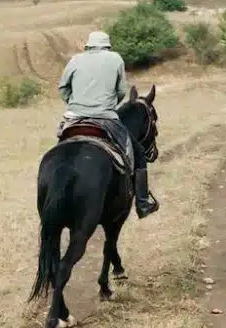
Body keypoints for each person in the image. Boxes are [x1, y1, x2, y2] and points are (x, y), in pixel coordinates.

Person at [56, 31, 159, 219]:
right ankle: (143, 203)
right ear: (107, 46)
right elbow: (121, 91)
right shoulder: (115, 59)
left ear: (88, 46)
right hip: (105, 117)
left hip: (74, 117)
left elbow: (63, 89)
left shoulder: (75, 60)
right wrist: (110, 104)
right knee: (136, 152)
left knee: (62, 147)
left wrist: (76, 102)